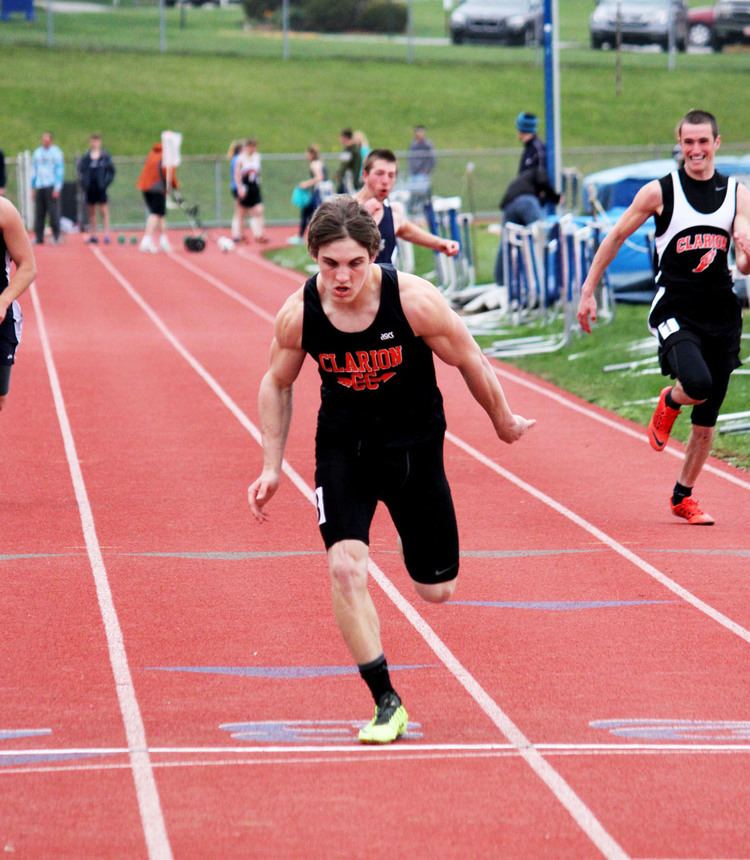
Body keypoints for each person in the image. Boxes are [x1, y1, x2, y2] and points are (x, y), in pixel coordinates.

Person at [247, 196, 534, 743]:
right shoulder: (299, 314)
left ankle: (411, 536)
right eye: (330, 264)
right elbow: (276, 382)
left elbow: (470, 357)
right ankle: (386, 700)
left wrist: (504, 420)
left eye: (354, 263)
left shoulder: (415, 301)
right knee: (346, 569)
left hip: (414, 449)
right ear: (313, 256)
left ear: (374, 256)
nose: (342, 277)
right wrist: (272, 466)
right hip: (344, 450)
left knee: (438, 590)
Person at [577, 109, 750, 526]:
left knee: (706, 421)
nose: (695, 150)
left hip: (722, 313)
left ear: (716, 143)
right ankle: (671, 399)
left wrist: (746, 248)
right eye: (688, 142)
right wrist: (588, 291)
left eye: (702, 142)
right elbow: (616, 236)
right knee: (697, 385)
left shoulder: (737, 193)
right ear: (680, 143)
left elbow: (744, 266)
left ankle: (682, 496)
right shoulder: (660, 192)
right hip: (675, 307)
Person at [355, 148, 459, 266]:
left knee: (421, 284)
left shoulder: (392, 211)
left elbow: (406, 230)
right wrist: (361, 219)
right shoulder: (346, 209)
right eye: (379, 173)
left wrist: (441, 244)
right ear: (365, 175)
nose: (385, 181)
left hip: (384, 282)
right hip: (355, 283)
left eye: (391, 175)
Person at [494, 165, 561, 286]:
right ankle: (546, 280)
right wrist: (556, 197)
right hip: (526, 201)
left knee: (506, 243)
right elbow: (543, 183)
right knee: (541, 236)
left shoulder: (520, 180)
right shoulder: (538, 171)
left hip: (508, 206)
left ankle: (501, 280)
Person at [0, 197, 36, 413]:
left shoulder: (4, 211)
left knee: (0, 396)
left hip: (1, 319)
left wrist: (4, 300)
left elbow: (28, 266)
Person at [136, 141, 179, 253]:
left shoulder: (153, 153)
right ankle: (146, 240)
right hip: (157, 187)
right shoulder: (166, 156)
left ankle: (163, 239)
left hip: (146, 186)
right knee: (155, 214)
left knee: (161, 214)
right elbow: (168, 172)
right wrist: (175, 185)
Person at [78, 134, 116, 244]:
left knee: (104, 211)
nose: (94, 144)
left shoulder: (105, 157)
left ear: (100, 143)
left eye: (97, 141)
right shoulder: (86, 157)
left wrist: (105, 183)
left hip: (101, 188)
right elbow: (81, 171)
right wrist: (84, 184)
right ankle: (93, 234)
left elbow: (111, 171)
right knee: (92, 213)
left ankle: (106, 234)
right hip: (90, 188)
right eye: (93, 141)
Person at [289, 144, 327, 245]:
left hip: (317, 193)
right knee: (311, 215)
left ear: (311, 154)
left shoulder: (314, 164)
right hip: (322, 192)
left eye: (307, 153)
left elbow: (320, 177)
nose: (306, 156)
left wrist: (306, 184)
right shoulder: (320, 162)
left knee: (308, 213)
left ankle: (303, 237)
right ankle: (311, 236)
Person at [30, 131, 64, 245]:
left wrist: (57, 188)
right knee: (39, 213)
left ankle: (56, 236)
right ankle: (39, 237)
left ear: (51, 140)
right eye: (43, 139)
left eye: (47, 140)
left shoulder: (56, 153)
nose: (45, 142)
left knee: (53, 212)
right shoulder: (37, 153)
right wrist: (33, 187)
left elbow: (59, 170)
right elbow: (34, 171)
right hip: (40, 185)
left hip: (51, 186)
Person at [233, 137, 268, 244]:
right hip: (245, 186)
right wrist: (239, 188)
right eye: (251, 147)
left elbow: (257, 172)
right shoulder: (241, 158)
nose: (253, 149)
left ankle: (259, 234)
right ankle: (238, 235)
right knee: (241, 212)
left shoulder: (257, 157)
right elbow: (237, 174)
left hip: (254, 186)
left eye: (255, 147)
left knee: (259, 210)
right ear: (247, 147)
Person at [406, 124, 436, 215]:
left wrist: (426, 171)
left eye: (421, 131)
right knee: (413, 194)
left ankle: (426, 213)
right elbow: (410, 159)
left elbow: (432, 160)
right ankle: (413, 212)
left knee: (424, 195)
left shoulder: (427, 145)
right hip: (414, 174)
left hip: (423, 175)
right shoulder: (413, 145)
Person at [335, 128, 362, 194]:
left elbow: (345, 166)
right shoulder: (351, 149)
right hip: (348, 180)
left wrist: (339, 174)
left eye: (341, 137)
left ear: (345, 137)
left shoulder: (351, 150)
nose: (340, 140)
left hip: (349, 180)